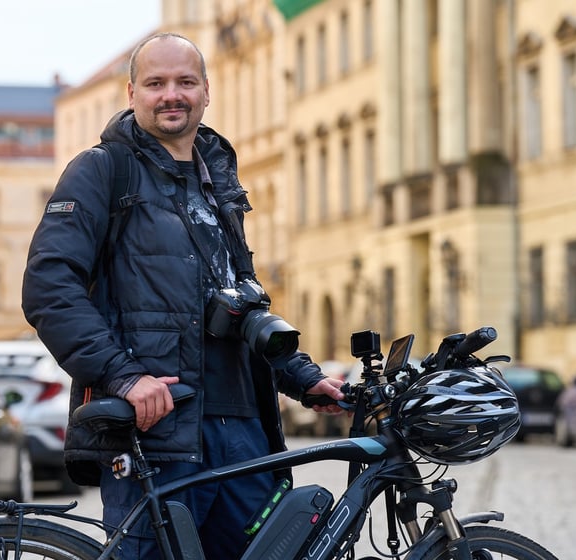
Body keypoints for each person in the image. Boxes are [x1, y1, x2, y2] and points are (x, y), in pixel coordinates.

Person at [22, 32, 345, 560]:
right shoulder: (103, 171)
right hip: (159, 433)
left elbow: (241, 303)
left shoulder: (219, 181)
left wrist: (305, 378)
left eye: (185, 82)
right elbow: (48, 288)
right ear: (132, 94)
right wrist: (122, 374)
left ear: (205, 91)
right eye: (156, 83)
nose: (171, 94)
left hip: (242, 431)